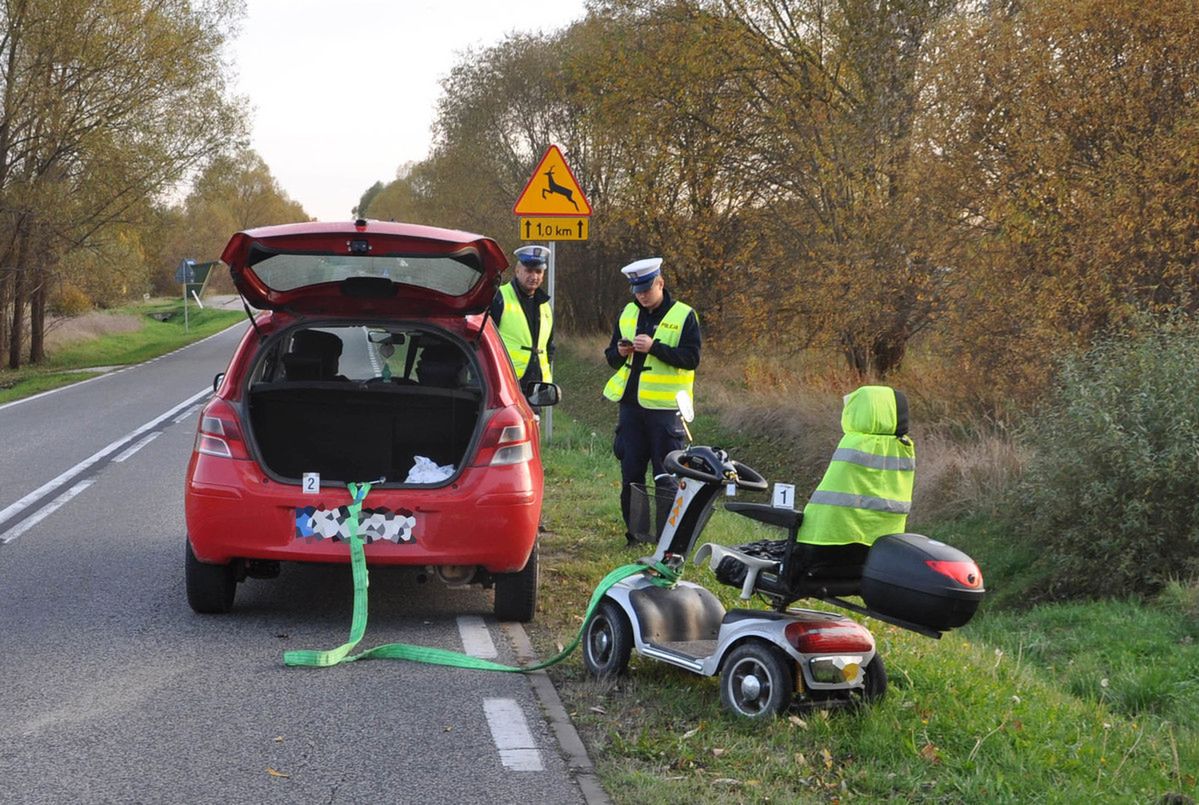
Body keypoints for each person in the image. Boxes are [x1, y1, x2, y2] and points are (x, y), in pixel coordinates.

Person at [603, 257, 701, 545]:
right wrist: (619, 353)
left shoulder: (684, 315)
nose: (642, 295)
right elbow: (610, 356)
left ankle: (665, 539)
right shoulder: (627, 313)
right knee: (631, 474)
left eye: (646, 289)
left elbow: (692, 359)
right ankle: (636, 536)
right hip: (631, 409)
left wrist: (655, 348)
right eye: (637, 290)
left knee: (666, 477)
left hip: (665, 412)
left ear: (660, 283)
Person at [490, 244, 554, 393]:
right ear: (517, 271)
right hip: (506, 383)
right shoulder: (500, 298)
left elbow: (549, 346)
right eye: (529, 271)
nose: (534, 276)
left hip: (537, 386)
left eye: (538, 271)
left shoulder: (545, 305)